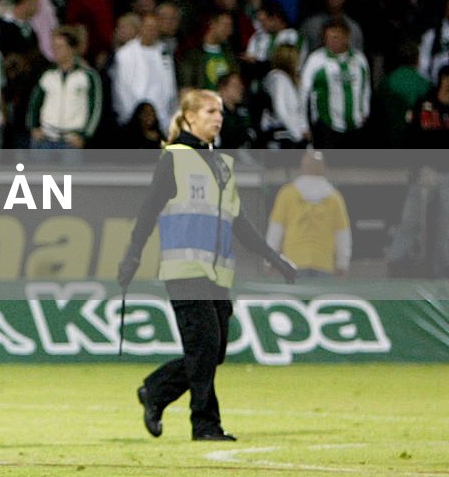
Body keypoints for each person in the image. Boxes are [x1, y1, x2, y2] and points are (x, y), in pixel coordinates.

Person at [118, 88, 297, 442]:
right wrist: (133, 255)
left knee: (212, 352)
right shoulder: (174, 158)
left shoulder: (222, 164)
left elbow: (239, 223)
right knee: (204, 348)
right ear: (189, 118)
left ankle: (156, 389)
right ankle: (205, 424)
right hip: (184, 269)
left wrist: (273, 257)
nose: (219, 117)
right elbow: (148, 210)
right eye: (211, 111)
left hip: (217, 273)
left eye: (220, 112)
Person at [266, 150, 351, 278]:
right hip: (323, 262)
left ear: (302, 167)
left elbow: (276, 230)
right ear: (323, 168)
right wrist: (342, 263)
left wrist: (269, 260)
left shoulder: (287, 193)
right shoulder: (334, 198)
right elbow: (342, 234)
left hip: (293, 261)